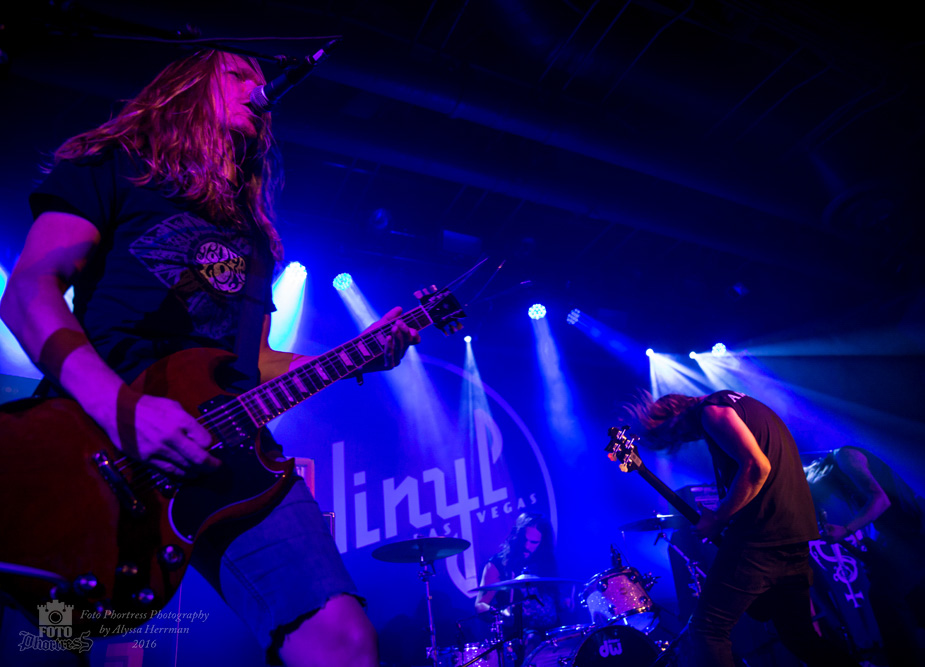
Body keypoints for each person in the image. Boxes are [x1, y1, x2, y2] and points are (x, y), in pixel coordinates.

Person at [0, 49, 418, 666]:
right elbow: (29, 292)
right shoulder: (112, 165)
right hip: (93, 439)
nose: (258, 89)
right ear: (189, 87)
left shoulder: (252, 232)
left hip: (226, 453)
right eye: (239, 74)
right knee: (54, 640)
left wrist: (358, 355)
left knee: (344, 642)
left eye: (259, 80)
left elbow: (251, 364)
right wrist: (123, 411)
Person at [624, 390, 856, 667]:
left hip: (762, 537)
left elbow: (757, 467)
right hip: (793, 534)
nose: (681, 439)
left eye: (673, 433)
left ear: (674, 412)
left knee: (707, 630)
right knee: (799, 637)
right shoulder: (738, 404)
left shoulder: (712, 411)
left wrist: (719, 517)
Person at [806, 447, 925, 667]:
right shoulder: (842, 481)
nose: (827, 499)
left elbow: (880, 500)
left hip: (914, 537)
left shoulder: (844, 455)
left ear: (817, 473)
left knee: (883, 597)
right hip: (908, 540)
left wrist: (847, 529)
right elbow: (880, 519)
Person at [473, 513, 565, 651]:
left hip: (553, 633)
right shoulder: (497, 564)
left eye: (534, 542)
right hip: (519, 637)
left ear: (543, 543)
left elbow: (557, 604)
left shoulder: (547, 563)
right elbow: (480, 605)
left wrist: (566, 603)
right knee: (532, 639)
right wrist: (502, 615)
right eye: (524, 540)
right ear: (516, 537)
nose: (527, 546)